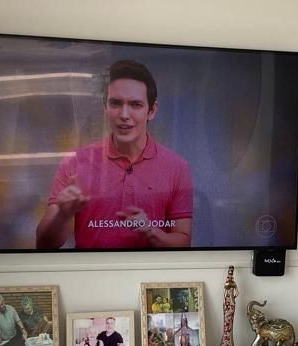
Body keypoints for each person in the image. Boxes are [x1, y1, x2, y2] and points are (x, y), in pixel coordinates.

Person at [35, 60, 194, 249]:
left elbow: (183, 241)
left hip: (149, 268)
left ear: (151, 111)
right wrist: (62, 215)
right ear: (105, 108)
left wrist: (151, 231)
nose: (124, 114)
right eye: (116, 103)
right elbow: (43, 245)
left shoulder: (177, 167)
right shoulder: (75, 162)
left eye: (135, 105)